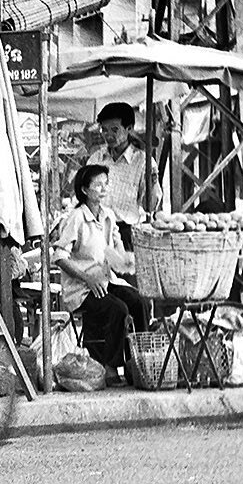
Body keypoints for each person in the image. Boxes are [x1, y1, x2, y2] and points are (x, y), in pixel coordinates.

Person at [53, 164, 147, 386]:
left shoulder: (108, 216)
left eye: (106, 183)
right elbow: (59, 256)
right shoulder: (75, 218)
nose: (104, 188)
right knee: (117, 309)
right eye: (98, 184)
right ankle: (110, 366)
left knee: (138, 302)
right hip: (81, 289)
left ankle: (139, 361)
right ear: (85, 190)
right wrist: (87, 278)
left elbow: (116, 253)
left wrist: (127, 260)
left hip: (106, 282)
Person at [85, 102, 161, 251]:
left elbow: (149, 207)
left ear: (129, 128)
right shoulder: (95, 159)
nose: (108, 135)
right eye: (104, 130)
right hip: (97, 232)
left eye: (114, 130)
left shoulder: (143, 162)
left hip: (127, 235)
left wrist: (152, 182)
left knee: (126, 273)